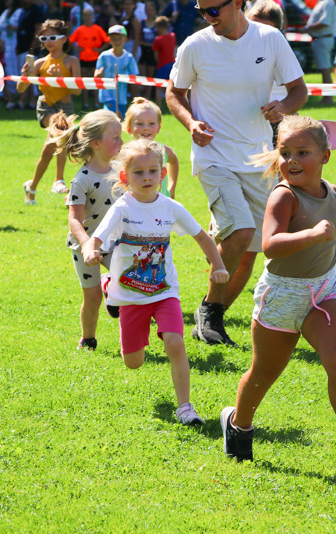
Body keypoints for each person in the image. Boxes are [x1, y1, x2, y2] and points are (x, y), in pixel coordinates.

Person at [220, 115, 336, 469]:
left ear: (325, 156)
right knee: (264, 373)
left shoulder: (333, 193)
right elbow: (271, 244)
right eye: (285, 152)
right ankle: (238, 424)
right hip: (283, 294)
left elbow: (335, 228)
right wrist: (311, 235)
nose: (291, 161)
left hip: (325, 287)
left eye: (302, 152)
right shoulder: (283, 197)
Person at [166, 0, 308, 347]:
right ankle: (210, 314)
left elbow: (299, 90)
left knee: (251, 250)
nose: (208, 18)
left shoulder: (270, 39)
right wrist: (190, 122)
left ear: (239, 1)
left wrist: (283, 108)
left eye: (214, 10)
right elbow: (174, 94)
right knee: (242, 232)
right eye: (202, 11)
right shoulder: (195, 45)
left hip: (260, 157)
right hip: (213, 156)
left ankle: (210, 316)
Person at [82, 139, 229, 425]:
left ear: (162, 174)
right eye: (138, 172)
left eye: (153, 171)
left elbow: (202, 236)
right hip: (129, 295)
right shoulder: (122, 209)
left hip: (164, 291)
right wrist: (91, 250)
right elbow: (96, 238)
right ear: (125, 178)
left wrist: (218, 265)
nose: (147, 177)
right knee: (133, 362)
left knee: (175, 343)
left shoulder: (170, 207)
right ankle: (109, 283)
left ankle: (185, 407)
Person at [57, 110, 123, 350]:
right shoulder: (82, 179)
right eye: (115, 137)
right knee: (92, 297)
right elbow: (73, 219)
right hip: (85, 245)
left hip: (115, 243)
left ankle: (111, 288)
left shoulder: (122, 170)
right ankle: (88, 339)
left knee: (130, 279)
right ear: (96, 143)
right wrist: (87, 243)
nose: (121, 142)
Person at [19, 19, 80, 203]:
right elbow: (21, 89)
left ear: (63, 39)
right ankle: (58, 180)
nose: (48, 41)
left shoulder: (71, 61)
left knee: (48, 151)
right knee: (60, 127)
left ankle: (32, 187)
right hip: (46, 107)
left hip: (66, 107)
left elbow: (77, 90)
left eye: (52, 37)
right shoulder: (39, 63)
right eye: (44, 38)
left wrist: (61, 78)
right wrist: (25, 75)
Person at [244, 0, 286, 148]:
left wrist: (285, 108)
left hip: (277, 125)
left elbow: (299, 91)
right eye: (253, 26)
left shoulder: (281, 51)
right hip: (238, 127)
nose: (257, 33)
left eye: (264, 30)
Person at [122, 98, 179, 198]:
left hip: (161, 205)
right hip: (134, 206)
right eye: (140, 124)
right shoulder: (124, 153)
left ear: (159, 127)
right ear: (129, 128)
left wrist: (172, 187)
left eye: (151, 123)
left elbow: (174, 161)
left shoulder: (164, 151)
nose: (146, 127)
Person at [95, 24, 137, 117]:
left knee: (120, 121)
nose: (117, 41)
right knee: (112, 117)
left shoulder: (129, 57)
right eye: (113, 38)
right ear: (109, 39)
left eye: (119, 38)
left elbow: (134, 78)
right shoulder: (104, 56)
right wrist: (98, 75)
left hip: (121, 96)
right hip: (107, 95)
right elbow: (97, 73)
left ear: (125, 39)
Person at [69, 7, 108, 110]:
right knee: (85, 82)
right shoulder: (80, 29)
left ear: (93, 16)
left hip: (95, 59)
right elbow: (71, 40)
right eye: (85, 15)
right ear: (82, 17)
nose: (87, 17)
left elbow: (107, 40)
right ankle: (85, 103)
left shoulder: (97, 29)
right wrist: (77, 48)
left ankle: (96, 103)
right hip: (84, 58)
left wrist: (100, 49)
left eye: (89, 15)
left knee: (96, 81)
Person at [305, 0, 335, 105]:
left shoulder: (327, 2)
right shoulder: (323, 1)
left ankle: (328, 98)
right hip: (321, 39)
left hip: (323, 38)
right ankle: (326, 97)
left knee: (325, 69)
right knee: (324, 69)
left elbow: (324, 22)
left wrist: (308, 27)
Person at [15, 0, 45, 109]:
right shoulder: (23, 10)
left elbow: (38, 31)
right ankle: (29, 101)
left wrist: (32, 49)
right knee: (25, 75)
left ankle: (28, 102)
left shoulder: (36, 10)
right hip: (22, 49)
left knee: (29, 76)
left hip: (30, 51)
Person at [0, 0, 23, 109]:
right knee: (7, 70)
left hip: (16, 46)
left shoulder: (20, 11)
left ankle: (21, 96)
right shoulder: (5, 12)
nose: (6, 1)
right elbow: (0, 25)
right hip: (5, 46)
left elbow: (19, 26)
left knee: (18, 70)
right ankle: (11, 97)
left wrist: (12, 27)